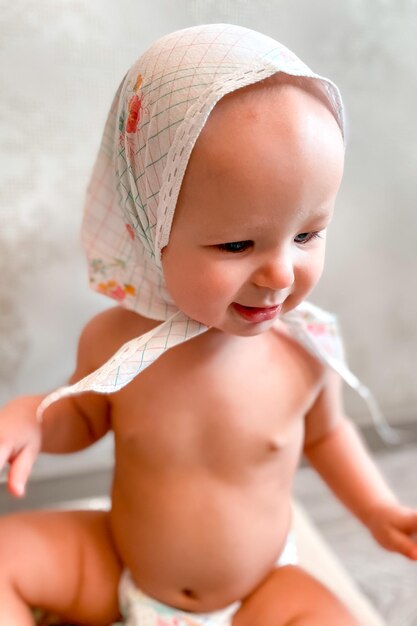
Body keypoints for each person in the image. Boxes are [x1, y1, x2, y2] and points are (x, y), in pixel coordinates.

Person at [0, 23, 416, 626]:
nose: (279, 273)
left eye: (306, 235)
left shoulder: (304, 351)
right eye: (237, 243)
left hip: (255, 598)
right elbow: (82, 417)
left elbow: (326, 437)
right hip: (119, 566)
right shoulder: (119, 343)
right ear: (151, 230)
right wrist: (34, 418)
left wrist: (378, 511)